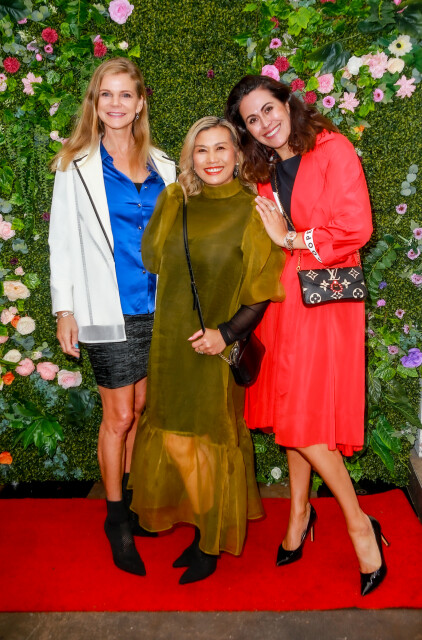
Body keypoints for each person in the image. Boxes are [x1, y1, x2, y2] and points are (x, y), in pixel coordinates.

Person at [226, 75, 388, 596]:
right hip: (284, 302)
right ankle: (299, 512)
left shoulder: (333, 149)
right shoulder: (265, 171)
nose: (264, 123)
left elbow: (356, 227)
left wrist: (292, 238)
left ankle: (359, 523)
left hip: (326, 302)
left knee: (303, 414)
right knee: (294, 412)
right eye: (252, 120)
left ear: (287, 103)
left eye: (268, 109)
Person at [128, 116, 285, 583]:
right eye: (202, 150)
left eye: (221, 148)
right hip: (170, 343)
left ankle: (208, 540)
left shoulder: (252, 210)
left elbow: (262, 289)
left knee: (210, 441)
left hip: (215, 347)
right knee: (174, 435)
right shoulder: (180, 201)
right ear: (190, 158)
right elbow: (152, 258)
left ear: (238, 155)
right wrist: (170, 199)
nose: (212, 158)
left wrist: (226, 333)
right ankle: (193, 520)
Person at [49, 58, 176, 576]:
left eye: (126, 94)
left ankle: (132, 499)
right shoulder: (75, 165)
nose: (116, 104)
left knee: (141, 407)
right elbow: (61, 242)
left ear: (141, 102)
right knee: (118, 416)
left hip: (160, 308)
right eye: (107, 94)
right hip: (107, 307)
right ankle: (116, 516)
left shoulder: (165, 165)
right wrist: (64, 309)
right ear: (95, 103)